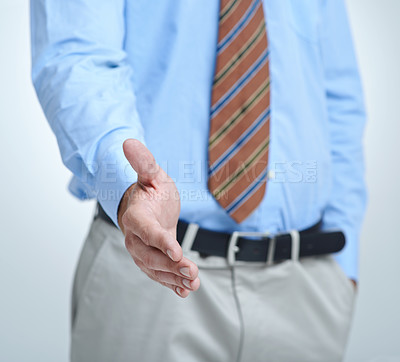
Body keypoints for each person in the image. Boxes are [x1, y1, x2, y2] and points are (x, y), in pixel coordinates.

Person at [31, 0, 366, 361]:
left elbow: (337, 91)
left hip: (307, 290)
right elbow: (78, 56)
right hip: (156, 273)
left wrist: (342, 268)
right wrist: (129, 186)